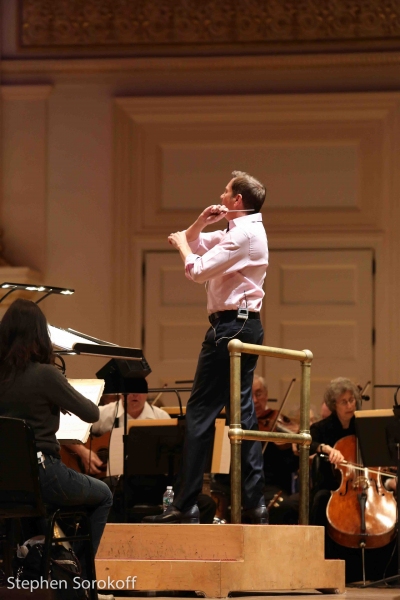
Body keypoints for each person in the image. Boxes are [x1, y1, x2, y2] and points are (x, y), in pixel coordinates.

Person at [144, 170, 268, 524]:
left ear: (237, 201)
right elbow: (197, 243)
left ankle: (185, 505)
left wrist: (182, 245)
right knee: (242, 415)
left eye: (226, 191)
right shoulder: (241, 231)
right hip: (242, 324)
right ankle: (254, 503)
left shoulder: (243, 235)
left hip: (231, 326)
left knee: (199, 414)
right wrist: (198, 224)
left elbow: (196, 268)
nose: (221, 194)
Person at [0, 299, 113, 598]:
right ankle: (78, 578)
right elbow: (91, 413)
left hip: (7, 482)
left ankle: (44, 568)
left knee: (40, 508)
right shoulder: (45, 375)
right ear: (39, 335)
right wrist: (59, 397)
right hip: (44, 475)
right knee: (104, 495)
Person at [309, 377, 397, 582]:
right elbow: (309, 442)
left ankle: (386, 573)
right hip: (334, 487)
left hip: (369, 484)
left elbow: (380, 458)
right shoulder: (323, 428)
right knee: (319, 501)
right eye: (344, 402)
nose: (350, 405)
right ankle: (323, 570)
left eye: (352, 400)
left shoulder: (365, 425)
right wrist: (327, 448)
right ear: (334, 405)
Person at [66, 379, 170, 475]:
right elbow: (65, 429)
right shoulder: (104, 413)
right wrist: (83, 452)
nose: (135, 394)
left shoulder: (162, 418)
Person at [252, 374, 299, 524]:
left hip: (275, 487)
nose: (255, 400)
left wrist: (291, 448)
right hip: (248, 488)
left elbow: (292, 465)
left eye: (258, 394)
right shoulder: (238, 424)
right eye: (249, 395)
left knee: (288, 506)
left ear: (266, 394)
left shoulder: (278, 421)